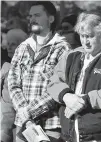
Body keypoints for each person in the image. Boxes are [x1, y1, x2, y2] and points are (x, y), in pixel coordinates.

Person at [47, 12, 101, 142]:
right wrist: (67, 96)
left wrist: (84, 101)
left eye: (90, 36)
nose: (85, 42)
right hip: (70, 134)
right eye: (82, 36)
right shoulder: (72, 55)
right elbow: (54, 81)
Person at [7, 2, 70, 142]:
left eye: (37, 15)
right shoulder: (22, 47)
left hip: (50, 126)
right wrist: (24, 113)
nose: (32, 19)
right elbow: (13, 83)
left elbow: (60, 86)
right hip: (23, 125)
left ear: (51, 19)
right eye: (30, 16)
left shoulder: (63, 48)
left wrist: (29, 112)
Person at [1, 29, 28, 142]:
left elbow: (8, 108)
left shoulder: (14, 70)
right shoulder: (8, 67)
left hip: (19, 123)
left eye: (13, 44)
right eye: (8, 44)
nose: (9, 47)